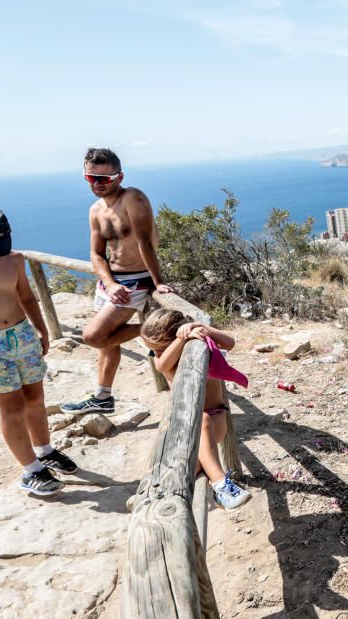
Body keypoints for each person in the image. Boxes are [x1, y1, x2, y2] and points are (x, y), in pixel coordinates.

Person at [0, 205, 77, 495]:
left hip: (22, 335)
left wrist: (41, 329)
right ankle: (31, 471)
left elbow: (25, 295)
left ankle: (45, 451)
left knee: (35, 397)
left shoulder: (14, 259)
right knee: (12, 408)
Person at [61, 148, 174, 416]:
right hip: (110, 282)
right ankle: (102, 396)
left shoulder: (132, 198)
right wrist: (109, 284)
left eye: (105, 178)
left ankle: (159, 330)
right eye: (92, 178)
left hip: (136, 280)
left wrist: (158, 282)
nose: (98, 184)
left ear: (119, 176)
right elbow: (96, 254)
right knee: (107, 343)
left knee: (94, 336)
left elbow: (145, 243)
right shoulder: (95, 210)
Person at [140, 309, 250, 509]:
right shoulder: (164, 355)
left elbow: (230, 343)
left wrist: (200, 328)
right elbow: (161, 365)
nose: (155, 354)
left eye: (158, 348)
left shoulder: (200, 343)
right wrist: (180, 340)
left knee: (203, 425)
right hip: (183, 425)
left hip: (214, 419)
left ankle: (220, 485)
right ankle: (154, 498)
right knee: (188, 469)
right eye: (151, 350)